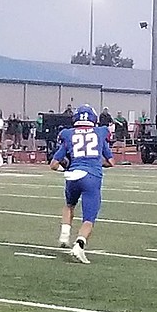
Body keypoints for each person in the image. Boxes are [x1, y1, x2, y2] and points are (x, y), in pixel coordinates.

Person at [50, 105, 115, 264]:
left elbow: (53, 164)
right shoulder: (100, 133)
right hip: (91, 177)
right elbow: (111, 162)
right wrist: (97, 163)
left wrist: (66, 169)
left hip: (72, 175)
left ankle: (64, 234)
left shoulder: (68, 134)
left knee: (70, 205)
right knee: (89, 218)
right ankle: (79, 246)